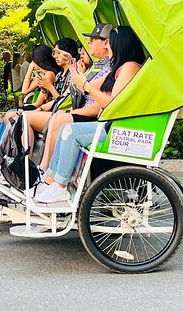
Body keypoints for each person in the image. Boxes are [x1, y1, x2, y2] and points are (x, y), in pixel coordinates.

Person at [33, 26, 146, 203]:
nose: (108, 48)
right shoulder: (120, 67)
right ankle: (52, 180)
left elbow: (111, 104)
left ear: (120, 45)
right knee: (65, 128)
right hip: (108, 124)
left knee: (69, 132)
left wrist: (86, 86)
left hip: (115, 127)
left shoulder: (129, 67)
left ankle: (60, 186)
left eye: (110, 45)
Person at [37, 24, 112, 171]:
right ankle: (45, 169)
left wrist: (71, 112)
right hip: (83, 110)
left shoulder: (109, 67)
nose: (88, 43)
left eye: (93, 39)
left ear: (106, 42)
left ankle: (48, 172)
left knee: (59, 119)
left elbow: (84, 92)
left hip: (94, 115)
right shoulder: (99, 66)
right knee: (55, 117)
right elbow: (78, 90)